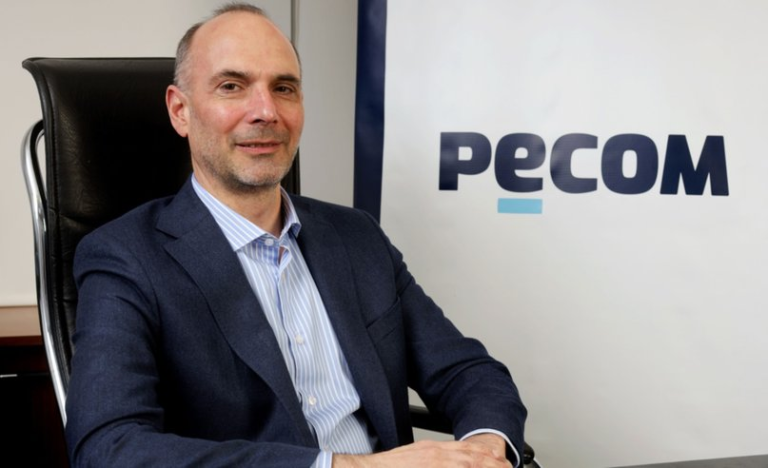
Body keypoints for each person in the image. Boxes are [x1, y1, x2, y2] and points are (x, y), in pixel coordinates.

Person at [65, 3, 527, 467]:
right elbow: (109, 448)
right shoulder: (125, 258)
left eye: (283, 88)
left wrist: (482, 451)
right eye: (232, 86)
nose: (266, 111)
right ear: (180, 111)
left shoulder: (357, 236)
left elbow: (468, 372)